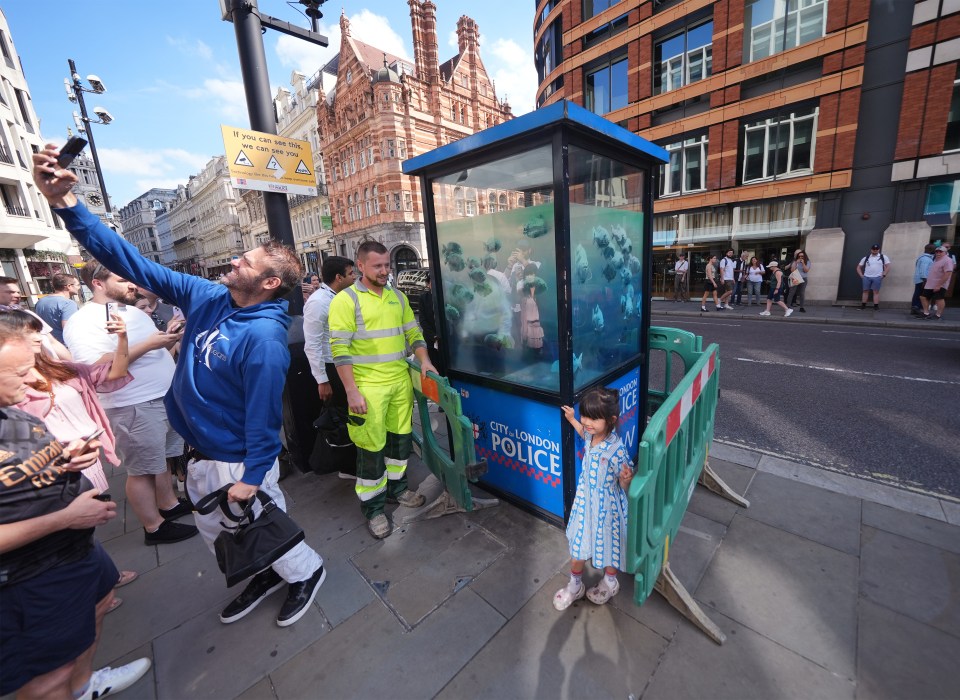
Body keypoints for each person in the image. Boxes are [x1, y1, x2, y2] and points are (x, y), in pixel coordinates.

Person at [34, 144, 326, 628]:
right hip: (199, 452)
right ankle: (270, 572)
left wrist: (253, 476)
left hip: (234, 458)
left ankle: (305, 571)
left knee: (258, 524)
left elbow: (263, 416)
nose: (234, 260)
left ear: (271, 284)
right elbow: (133, 263)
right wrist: (69, 206)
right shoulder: (210, 296)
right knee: (222, 534)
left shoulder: (265, 339)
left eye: (246, 261)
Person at [0, 325, 151, 700]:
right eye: (21, 372)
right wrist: (64, 519)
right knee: (48, 677)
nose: (35, 379)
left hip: (74, 550)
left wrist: (63, 462)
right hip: (25, 577)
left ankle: (83, 686)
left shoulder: (12, 412)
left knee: (98, 605)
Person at [64, 260, 196, 547]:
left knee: (159, 459)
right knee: (141, 469)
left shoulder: (129, 311)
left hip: (162, 396)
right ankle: (154, 527)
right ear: (98, 283)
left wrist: (167, 339)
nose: (131, 284)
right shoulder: (82, 321)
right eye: (122, 279)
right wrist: (147, 345)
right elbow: (96, 370)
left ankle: (169, 505)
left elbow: (148, 350)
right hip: (132, 404)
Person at [328, 241, 436, 539]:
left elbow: (413, 333)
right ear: (359, 266)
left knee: (399, 446)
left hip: (399, 385)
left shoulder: (397, 297)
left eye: (387, 265)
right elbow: (340, 349)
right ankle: (374, 510)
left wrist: (425, 361)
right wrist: (351, 391)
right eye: (377, 266)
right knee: (371, 452)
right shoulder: (345, 301)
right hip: (368, 389)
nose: (384, 271)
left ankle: (397, 489)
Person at [553, 388, 634, 611]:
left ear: (611, 420)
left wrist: (626, 479)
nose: (587, 422)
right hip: (585, 505)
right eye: (584, 415)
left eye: (594, 418)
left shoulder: (616, 449)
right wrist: (571, 419)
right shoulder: (590, 435)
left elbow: (626, 481)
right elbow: (582, 431)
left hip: (607, 509)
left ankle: (610, 582)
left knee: (610, 547)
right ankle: (575, 585)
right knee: (577, 547)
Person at [303, 256, 357, 478]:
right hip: (332, 368)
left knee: (351, 416)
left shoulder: (341, 297)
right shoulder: (319, 302)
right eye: (351, 273)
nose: (355, 277)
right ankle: (347, 466)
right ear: (339, 277)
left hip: (345, 364)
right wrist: (322, 380)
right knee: (343, 418)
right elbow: (312, 344)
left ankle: (350, 463)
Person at [0, 276, 73, 361]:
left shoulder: (28, 314)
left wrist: (75, 365)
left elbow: (52, 342)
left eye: (18, 292)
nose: (17, 295)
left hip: (51, 367)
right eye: (10, 292)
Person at [34, 273, 80, 345]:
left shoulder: (40, 301)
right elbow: (69, 330)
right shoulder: (68, 304)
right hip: (65, 347)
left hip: (47, 345)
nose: (79, 287)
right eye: (77, 285)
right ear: (69, 286)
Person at [920, 247, 955, 320]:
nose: (938, 253)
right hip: (930, 283)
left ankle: (938, 315)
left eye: (940, 251)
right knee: (923, 297)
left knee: (939, 299)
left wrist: (939, 285)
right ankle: (926, 313)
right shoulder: (936, 259)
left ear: (945, 252)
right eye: (937, 251)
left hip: (940, 284)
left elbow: (948, 273)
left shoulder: (948, 260)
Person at [417, 275, 441, 371]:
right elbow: (422, 320)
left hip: (444, 340)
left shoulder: (443, 296)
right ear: (428, 284)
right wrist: (433, 336)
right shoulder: (424, 298)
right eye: (431, 282)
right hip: (430, 339)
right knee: (434, 365)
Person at [857, 244, 890, 310]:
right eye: (873, 249)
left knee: (876, 292)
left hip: (877, 277)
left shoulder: (883, 257)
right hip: (866, 277)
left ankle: (876, 307)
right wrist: (861, 275)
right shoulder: (866, 257)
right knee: (865, 291)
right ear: (871, 249)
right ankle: (863, 306)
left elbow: (888, 266)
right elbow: (858, 267)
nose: (875, 251)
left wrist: (884, 275)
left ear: (879, 249)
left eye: (876, 249)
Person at [912, 244, 936, 315]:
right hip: (922, 280)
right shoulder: (926, 259)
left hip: (921, 280)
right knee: (919, 294)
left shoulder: (924, 258)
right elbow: (923, 271)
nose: (935, 251)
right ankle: (916, 308)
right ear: (931, 250)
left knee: (918, 294)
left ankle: (915, 309)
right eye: (935, 249)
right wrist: (925, 280)